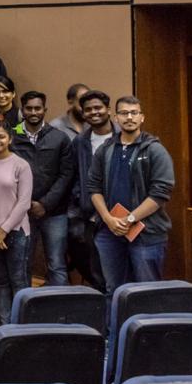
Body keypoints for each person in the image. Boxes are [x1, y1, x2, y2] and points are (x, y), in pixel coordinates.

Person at [87, 96, 175, 291]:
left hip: (146, 233)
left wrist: (130, 219)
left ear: (141, 118)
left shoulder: (155, 150)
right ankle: (117, 323)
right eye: (124, 113)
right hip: (110, 232)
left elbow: (161, 192)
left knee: (146, 293)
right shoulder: (105, 149)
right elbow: (93, 187)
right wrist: (108, 218)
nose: (129, 117)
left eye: (134, 113)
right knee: (114, 291)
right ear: (115, 117)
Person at [10, 91, 75, 287]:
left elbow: (66, 175)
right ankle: (22, 311)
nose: (33, 112)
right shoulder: (12, 136)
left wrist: (45, 203)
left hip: (54, 212)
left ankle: (62, 313)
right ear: (22, 111)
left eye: (37, 108)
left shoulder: (59, 138)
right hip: (21, 213)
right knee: (22, 263)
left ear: (44, 110)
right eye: (29, 108)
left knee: (57, 263)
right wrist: (25, 203)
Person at [0, 123, 33, 323]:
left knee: (18, 280)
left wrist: (3, 229)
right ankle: (5, 324)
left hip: (16, 231)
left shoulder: (21, 165)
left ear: (9, 139)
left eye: (1, 137)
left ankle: (23, 325)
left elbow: (24, 202)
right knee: (0, 281)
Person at [71, 90, 116, 291]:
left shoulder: (123, 137)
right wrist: (82, 200)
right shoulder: (80, 142)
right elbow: (73, 175)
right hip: (91, 216)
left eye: (98, 108)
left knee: (121, 270)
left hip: (122, 214)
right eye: (88, 110)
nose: (93, 112)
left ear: (108, 109)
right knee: (96, 270)